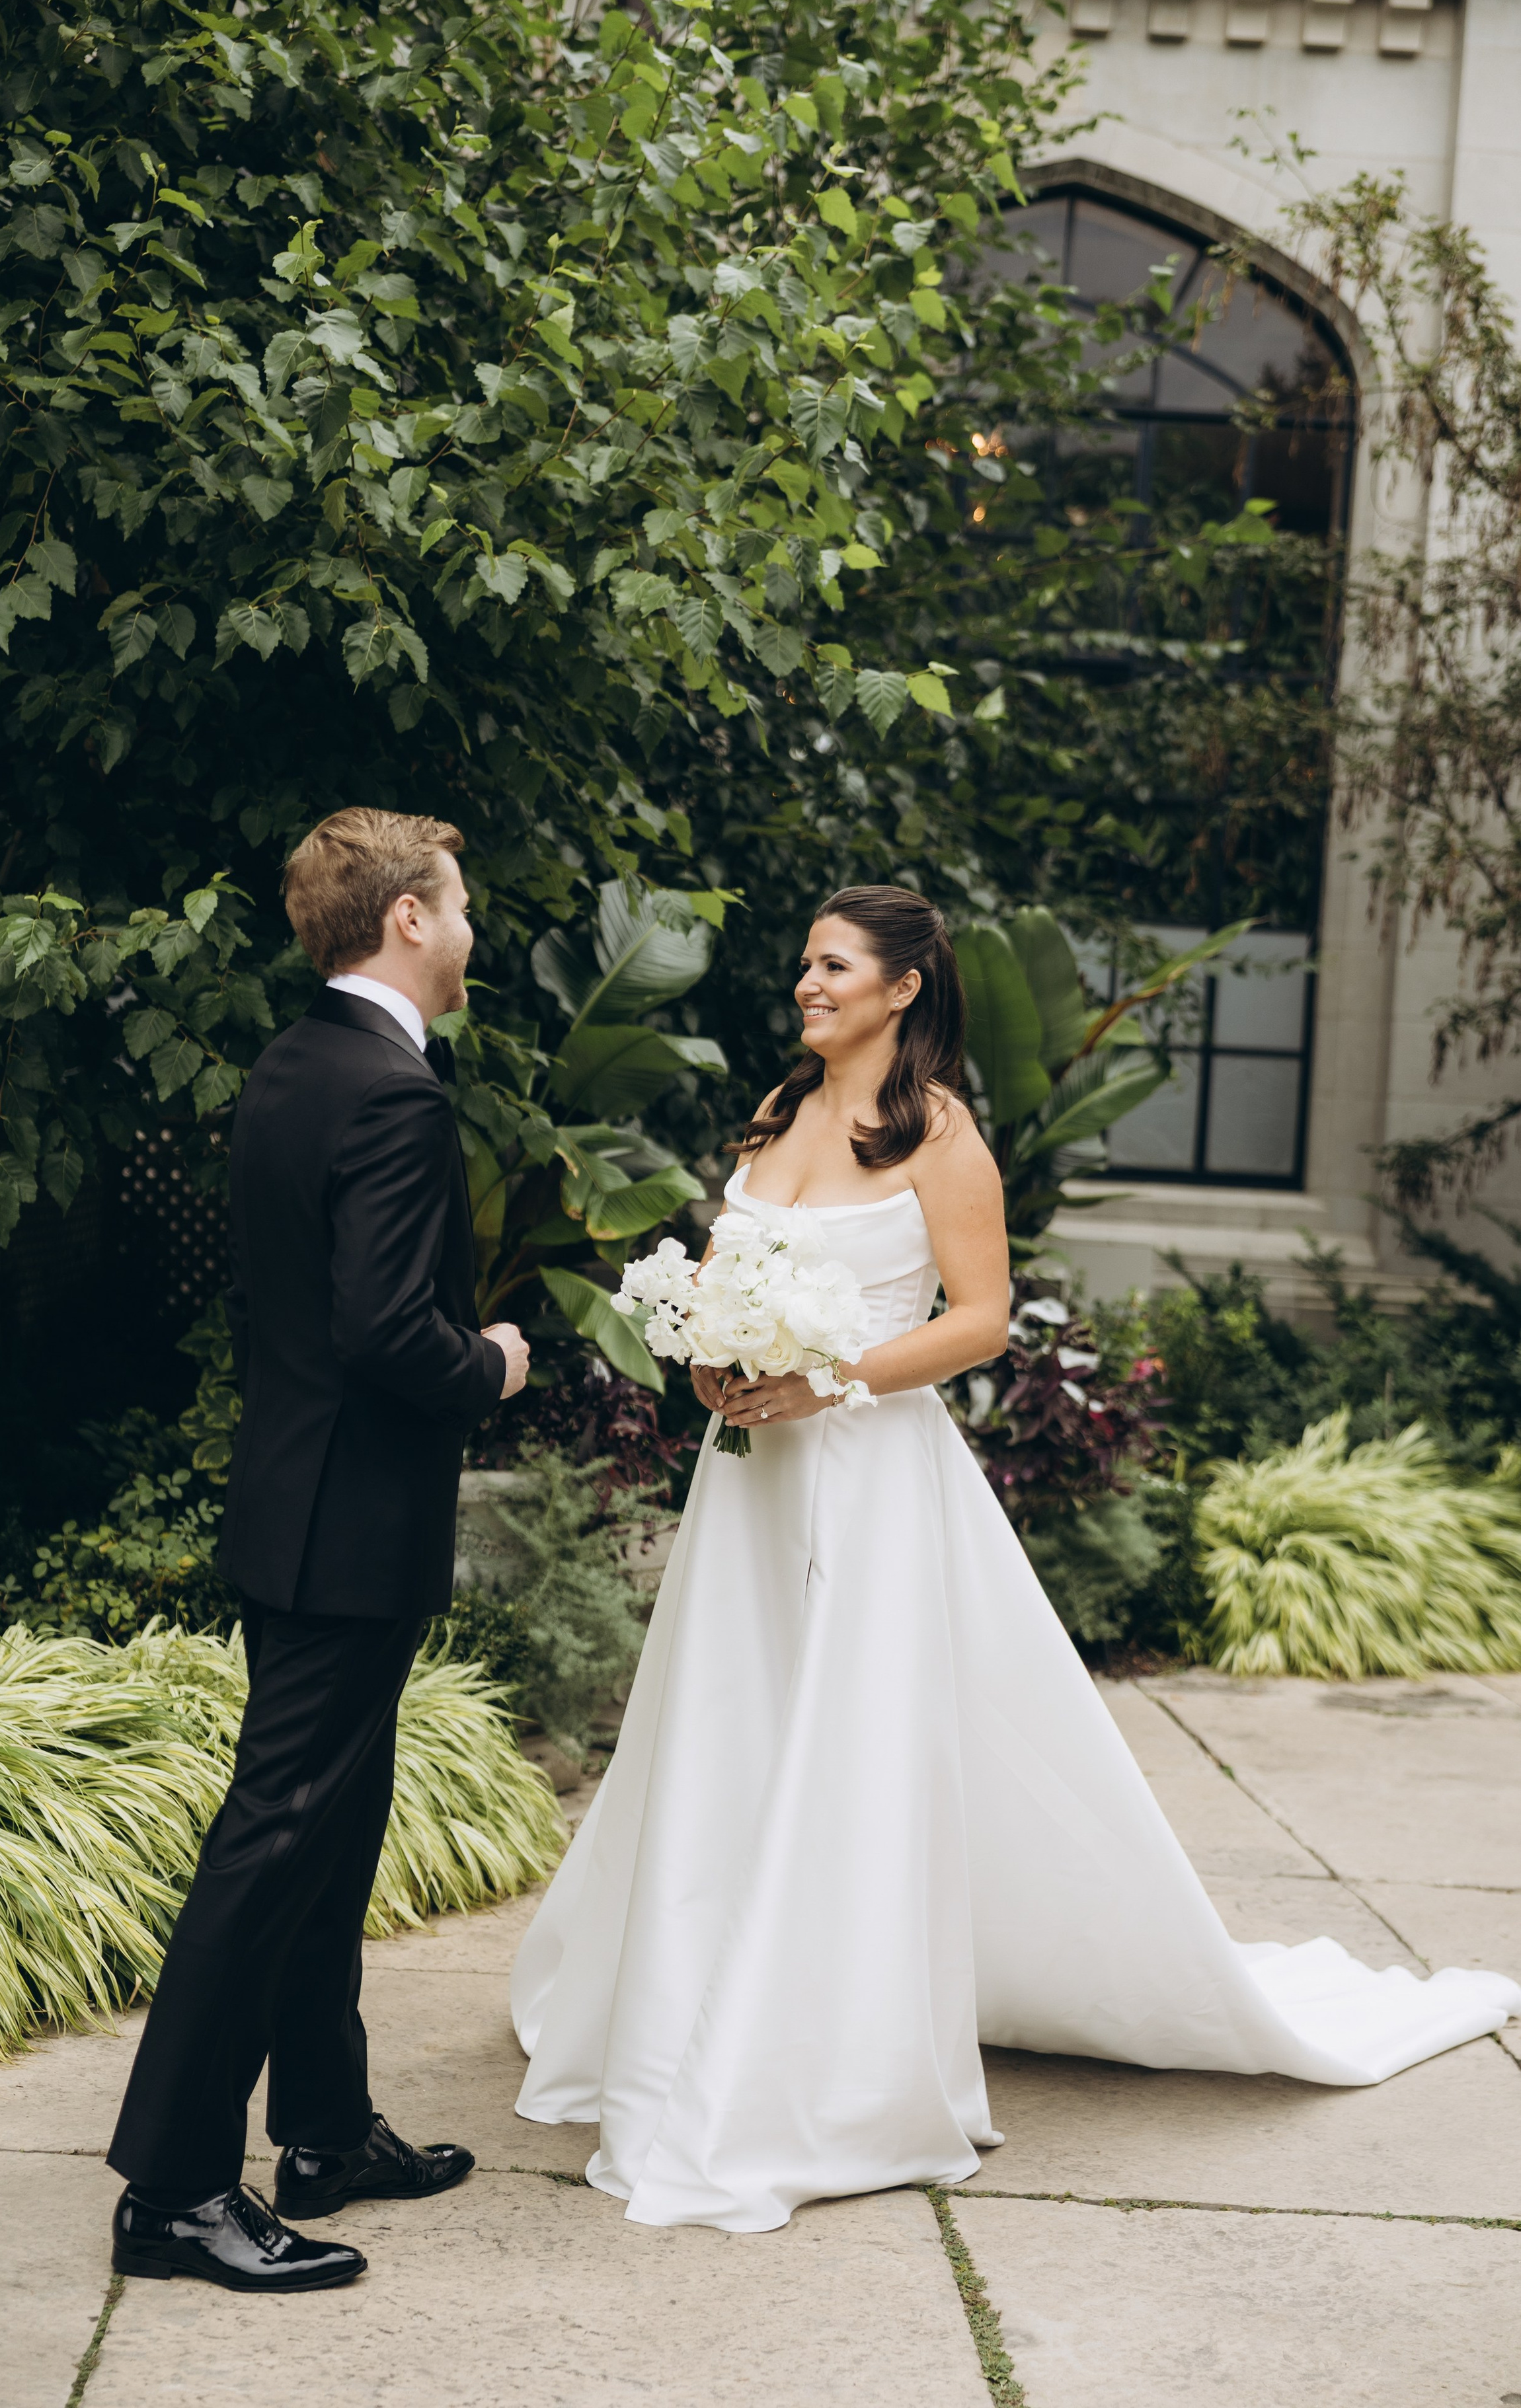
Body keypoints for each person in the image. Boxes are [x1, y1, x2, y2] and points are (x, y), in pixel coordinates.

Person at [510, 882, 1521, 2236]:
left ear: (902, 986)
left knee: (850, 1748)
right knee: (731, 1726)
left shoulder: (938, 1137)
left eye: (831, 965)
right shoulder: (774, 1114)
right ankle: (689, 1995)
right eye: (804, 965)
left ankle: (827, 2049)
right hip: (751, 1486)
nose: (805, 984)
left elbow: (980, 1321)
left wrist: (828, 1377)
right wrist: (711, 1356)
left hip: (868, 1475)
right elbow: (721, 1277)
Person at [107, 808, 529, 2292]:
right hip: (351, 1528)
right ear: (408, 918)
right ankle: (169, 2192)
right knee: (274, 1843)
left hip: (289, 1507)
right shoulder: (396, 1097)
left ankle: (329, 2129)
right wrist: (493, 1363)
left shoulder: (294, 1065)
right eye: (461, 906)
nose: (472, 930)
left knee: (330, 1832)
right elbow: (385, 1335)